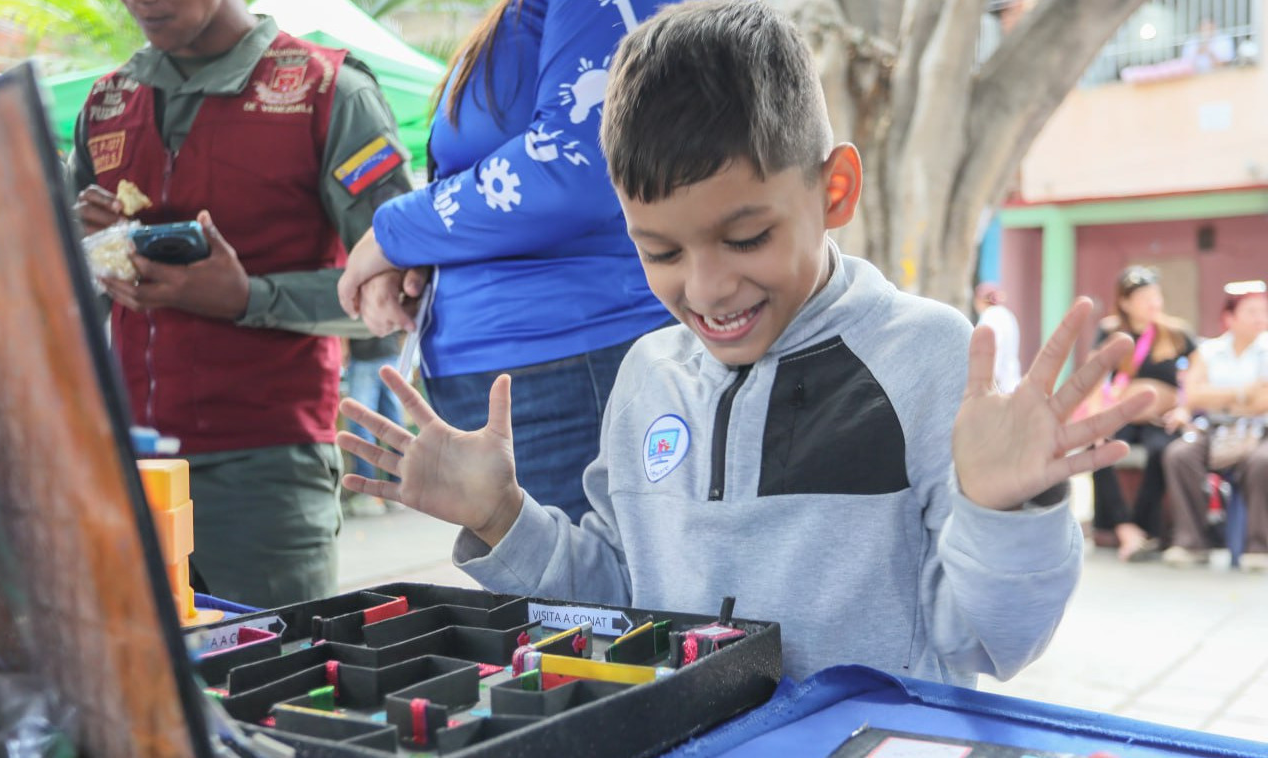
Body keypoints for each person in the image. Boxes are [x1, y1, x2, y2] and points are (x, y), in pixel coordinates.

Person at [338, 0, 1151, 683]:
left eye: (747, 236)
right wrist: (503, 516)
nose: (708, 288)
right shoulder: (647, 374)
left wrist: (1009, 509)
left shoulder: (925, 357)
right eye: (660, 252)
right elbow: (618, 597)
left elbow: (995, 640)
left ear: (833, 190)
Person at [69, 0, 413, 607]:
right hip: (127, 468)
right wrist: (81, 244)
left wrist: (247, 299)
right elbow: (65, 293)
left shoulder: (329, 92)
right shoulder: (105, 103)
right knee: (142, 693)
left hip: (265, 473)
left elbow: (400, 290)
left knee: (265, 685)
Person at [334, 0, 673, 524]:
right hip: (522, 378)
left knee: (580, 600)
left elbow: (576, 166)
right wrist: (418, 255)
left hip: (572, 367)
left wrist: (392, 233)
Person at [1088, 266, 1196, 562]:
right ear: (1125, 302)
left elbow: (1198, 375)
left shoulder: (1175, 332)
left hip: (1159, 419)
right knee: (1097, 446)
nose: (1153, 302)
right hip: (1122, 416)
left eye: (1155, 295)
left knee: (1162, 449)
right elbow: (1094, 380)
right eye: (1143, 297)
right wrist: (1096, 421)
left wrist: (1185, 408)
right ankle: (1124, 528)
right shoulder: (1111, 332)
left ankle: (1146, 526)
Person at [1162, 281, 1268, 570]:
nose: (1261, 317)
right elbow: (1194, 395)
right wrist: (1245, 393)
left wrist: (1218, 397)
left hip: (1259, 431)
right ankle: (1192, 543)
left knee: (1263, 462)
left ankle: (1258, 547)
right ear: (1229, 317)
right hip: (1214, 428)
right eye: (1252, 311)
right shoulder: (1210, 350)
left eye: (1263, 310)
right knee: (1179, 455)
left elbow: (1263, 404)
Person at [343, 334, 405, 514]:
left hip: (363, 355)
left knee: (361, 423)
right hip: (390, 352)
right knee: (394, 424)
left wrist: (344, 351)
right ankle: (399, 489)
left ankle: (368, 492)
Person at [973, 282, 1022, 394]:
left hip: (999, 387)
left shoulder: (989, 317)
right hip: (1012, 382)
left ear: (979, 300)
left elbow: (994, 352)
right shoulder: (1008, 315)